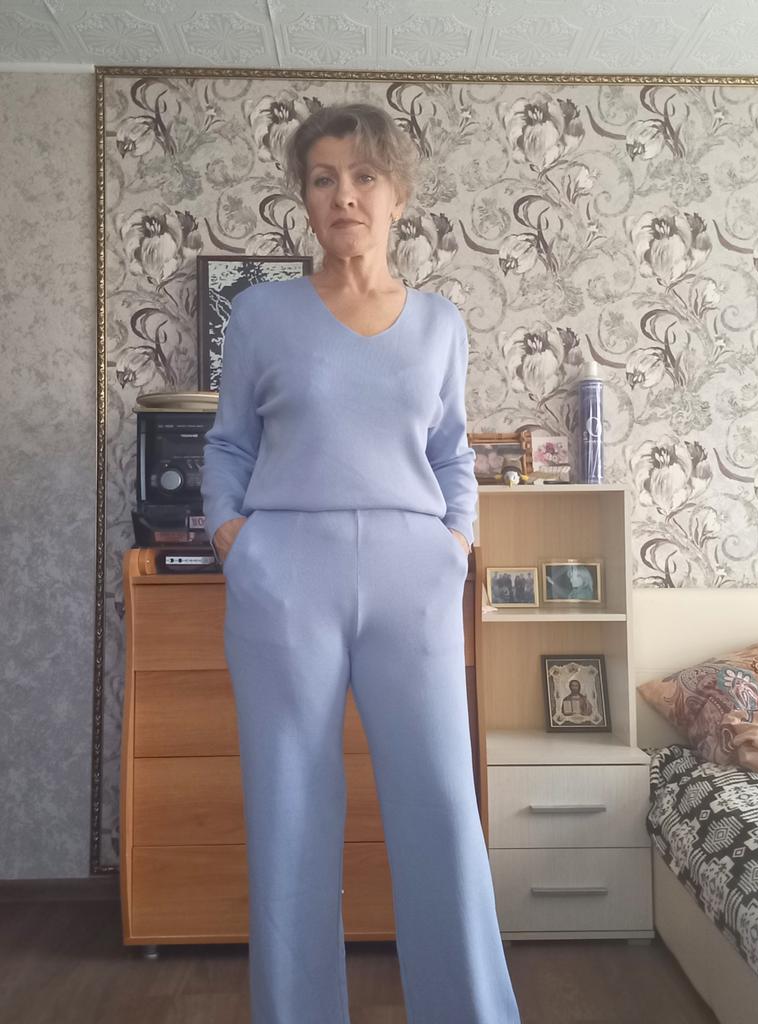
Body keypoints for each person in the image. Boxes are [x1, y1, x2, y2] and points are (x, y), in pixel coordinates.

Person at [201, 101, 521, 1024]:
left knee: (441, 809)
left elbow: (453, 452)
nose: (344, 194)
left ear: (397, 196)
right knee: (289, 813)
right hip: (283, 573)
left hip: (413, 574)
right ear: (305, 199)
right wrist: (232, 536)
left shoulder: (441, 323)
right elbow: (229, 443)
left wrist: (455, 542)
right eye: (323, 178)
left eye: (364, 176)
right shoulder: (260, 315)